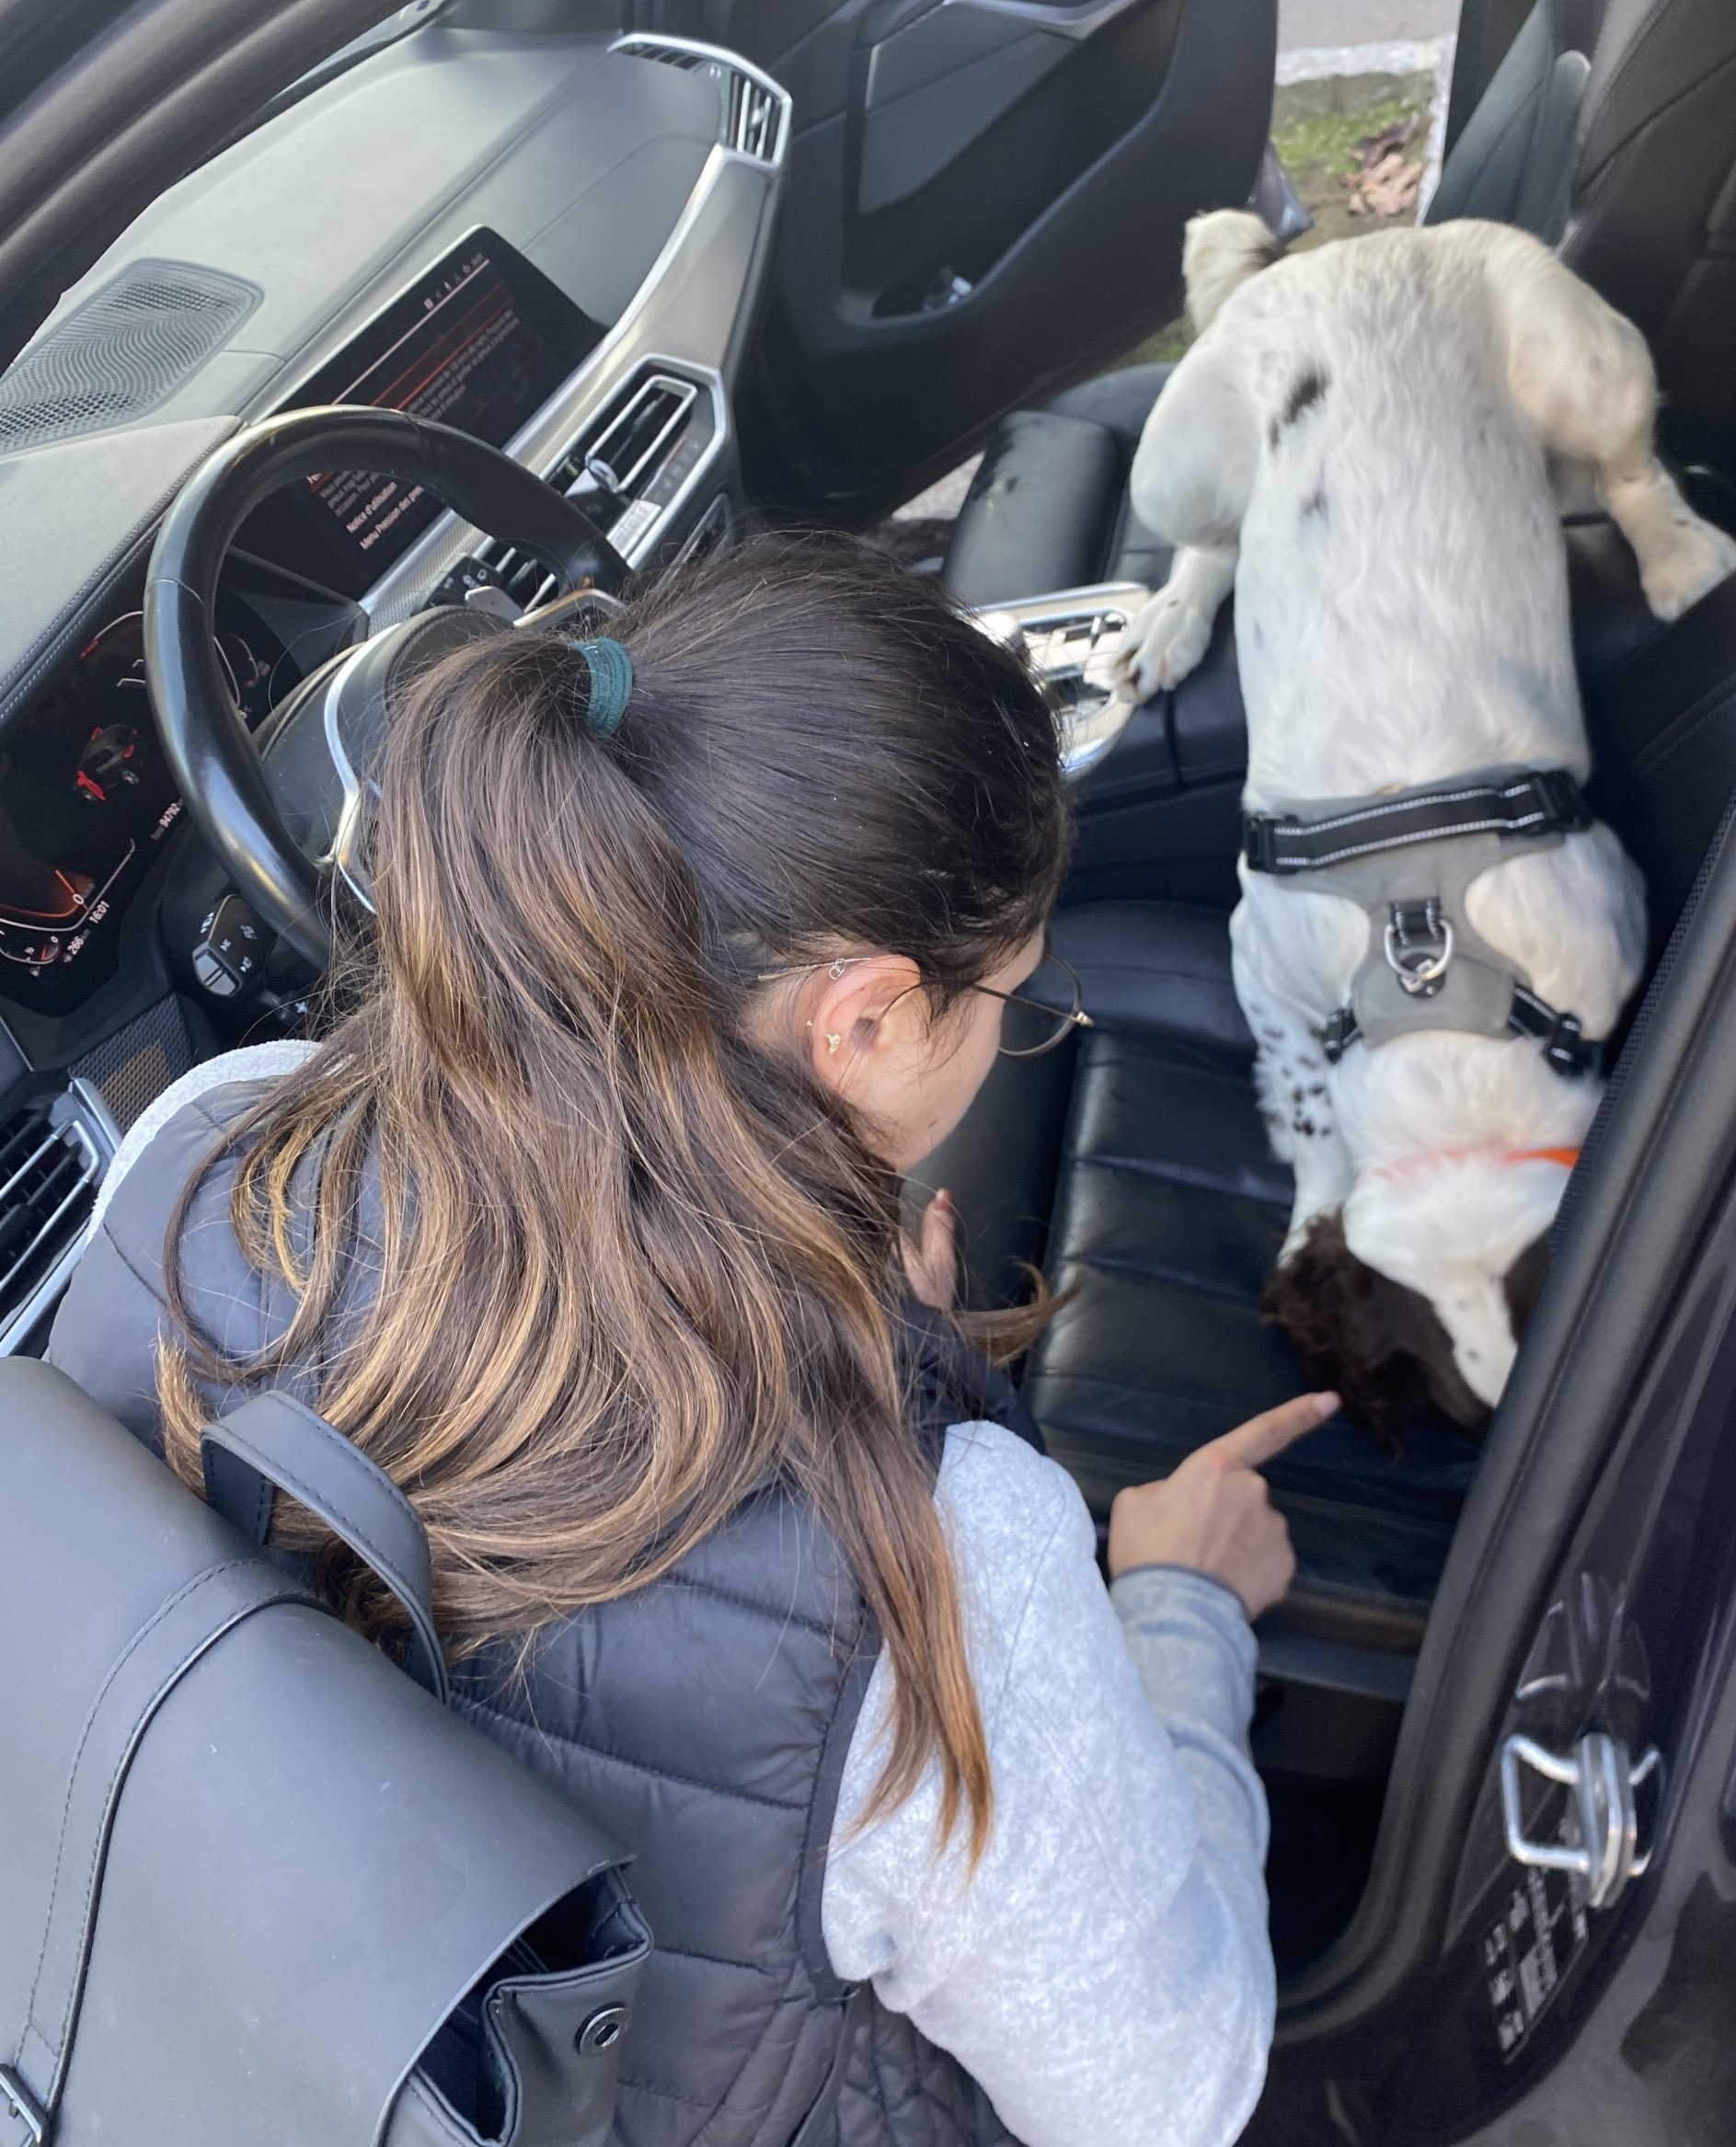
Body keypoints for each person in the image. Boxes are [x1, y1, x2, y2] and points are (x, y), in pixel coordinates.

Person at [49, 535, 1334, 2147]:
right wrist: (1179, 1609)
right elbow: (1169, 2095)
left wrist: (866, 1341)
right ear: (863, 1018)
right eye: (1013, 995)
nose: (1016, 1027)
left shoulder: (207, 1147)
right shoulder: (942, 1566)